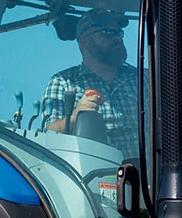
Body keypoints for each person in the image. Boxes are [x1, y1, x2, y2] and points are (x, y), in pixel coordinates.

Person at [41, 8, 143, 159]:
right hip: (94, 178)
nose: (117, 38)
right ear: (84, 42)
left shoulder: (143, 79)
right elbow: (47, 137)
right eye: (108, 33)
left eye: (119, 33)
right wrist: (75, 116)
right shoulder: (63, 82)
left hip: (152, 177)